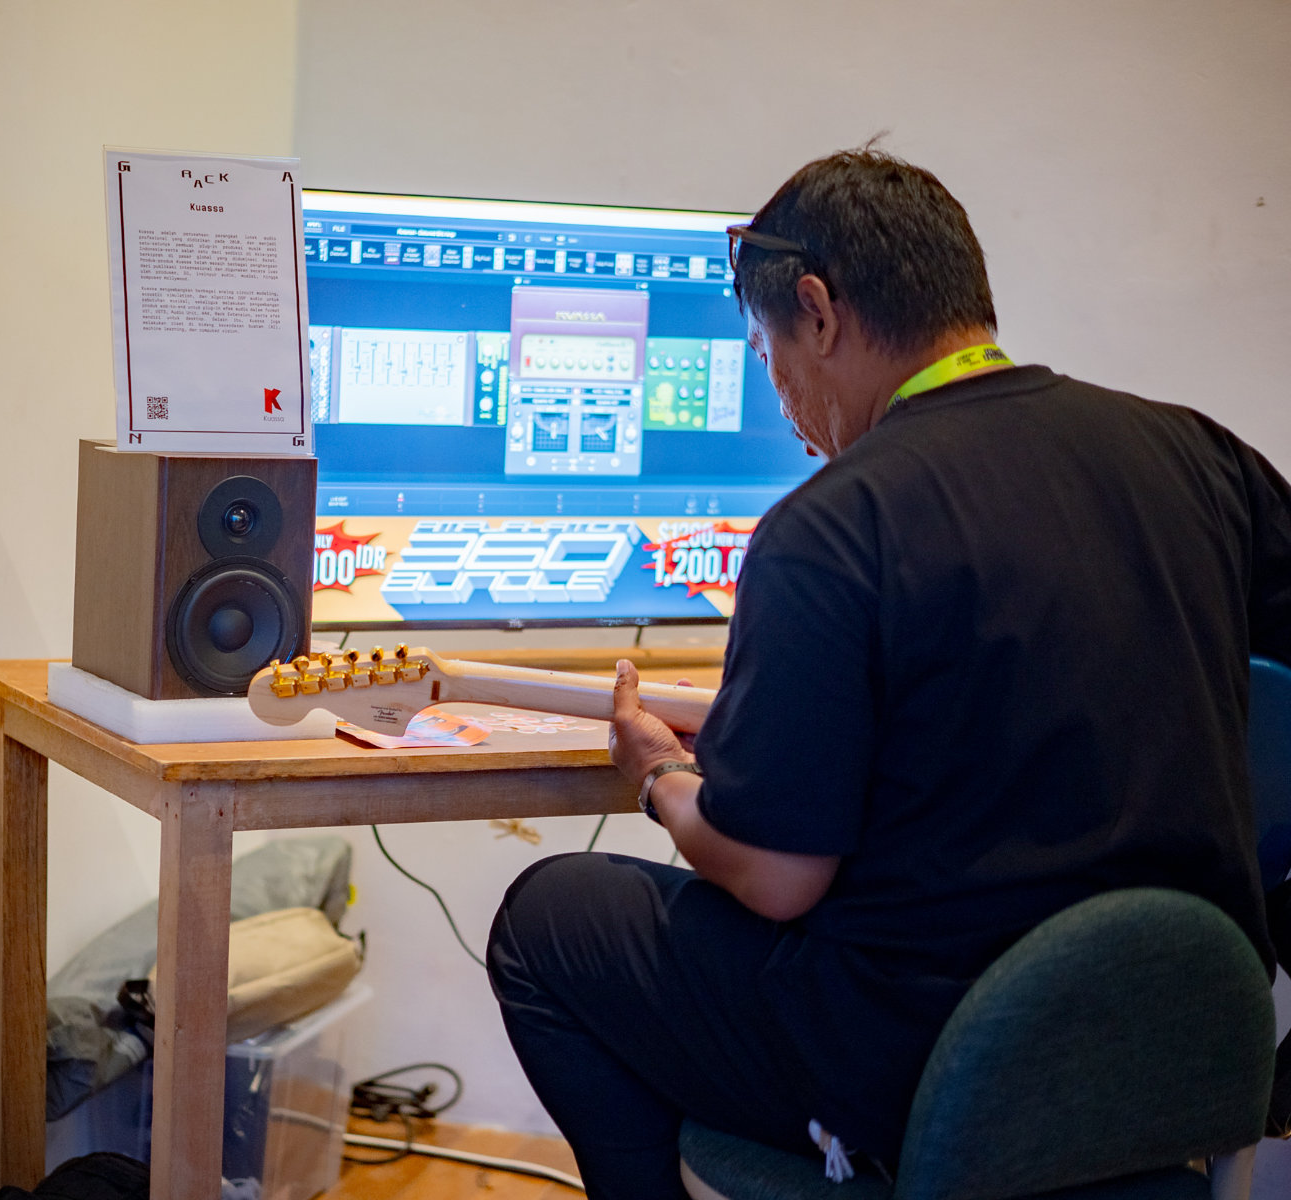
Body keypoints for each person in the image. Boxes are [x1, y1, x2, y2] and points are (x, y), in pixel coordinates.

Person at [486, 148, 1291, 1198]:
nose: (786, 411)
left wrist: (661, 781)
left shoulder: (831, 528)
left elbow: (777, 878)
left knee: (553, 919)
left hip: (935, 1065)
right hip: (1185, 1042)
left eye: (769, 357)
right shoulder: (1200, 458)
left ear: (817, 313)